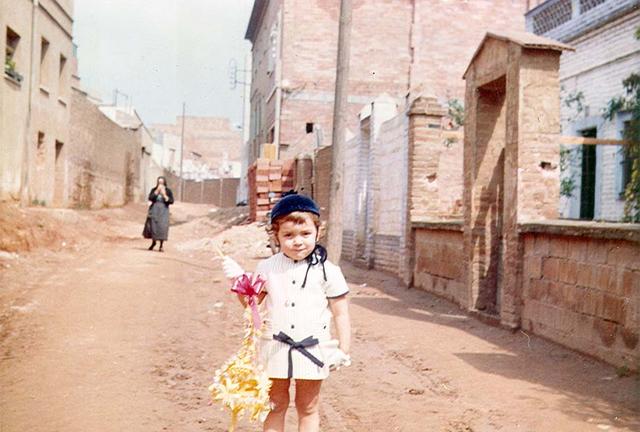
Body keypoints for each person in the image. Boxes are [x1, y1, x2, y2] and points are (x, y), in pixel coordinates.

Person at [223, 193, 352, 432]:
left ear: (318, 233)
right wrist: (239, 283)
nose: (298, 242)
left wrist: (343, 349)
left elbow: (340, 312)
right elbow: (252, 306)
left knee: (308, 406)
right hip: (275, 347)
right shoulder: (267, 267)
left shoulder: (328, 270)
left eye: (305, 234)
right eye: (289, 235)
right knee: (275, 403)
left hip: (313, 347)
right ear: (276, 236)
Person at [147, 176, 174, 252]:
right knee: (154, 226)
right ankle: (153, 242)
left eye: (162, 182)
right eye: (159, 182)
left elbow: (171, 201)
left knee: (162, 227)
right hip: (155, 209)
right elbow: (150, 198)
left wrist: (164, 195)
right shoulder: (154, 190)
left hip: (164, 210)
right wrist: (156, 192)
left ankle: (161, 245)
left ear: (164, 182)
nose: (160, 184)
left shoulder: (168, 191)